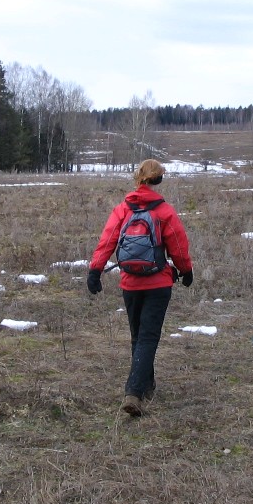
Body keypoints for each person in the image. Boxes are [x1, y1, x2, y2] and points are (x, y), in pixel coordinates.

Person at [87, 159, 194, 417]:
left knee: (138, 336)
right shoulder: (164, 211)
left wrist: (95, 270)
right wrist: (186, 270)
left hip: (130, 283)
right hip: (158, 283)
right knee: (148, 337)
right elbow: (178, 245)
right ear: (159, 179)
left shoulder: (123, 209)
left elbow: (107, 241)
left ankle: (146, 385)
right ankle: (134, 392)